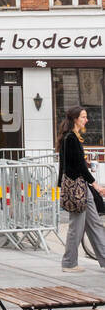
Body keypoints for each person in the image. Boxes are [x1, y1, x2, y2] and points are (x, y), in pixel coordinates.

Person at [57, 106, 105, 271]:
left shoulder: (73, 137)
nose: (87, 120)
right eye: (84, 117)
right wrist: (96, 185)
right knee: (76, 227)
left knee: (95, 224)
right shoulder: (70, 138)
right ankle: (69, 263)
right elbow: (77, 166)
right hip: (77, 188)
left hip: (82, 187)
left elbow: (67, 165)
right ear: (76, 119)